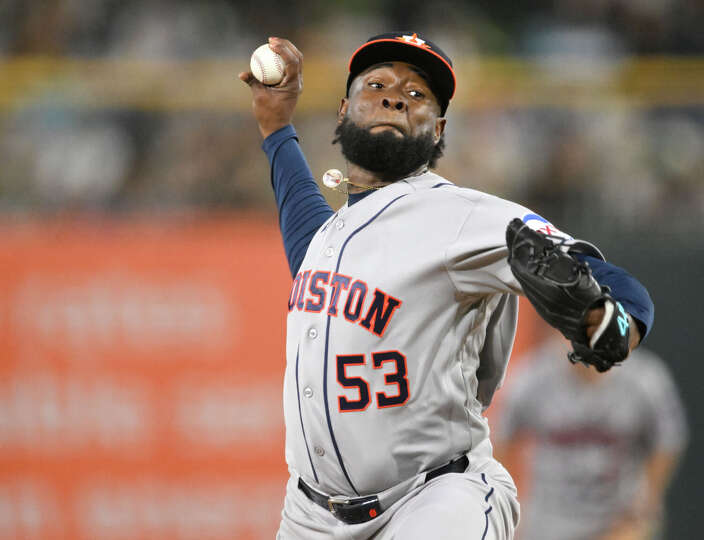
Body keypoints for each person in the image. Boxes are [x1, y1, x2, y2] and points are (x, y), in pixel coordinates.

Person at [238, 32, 654, 540]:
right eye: (377, 85)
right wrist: (276, 128)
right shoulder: (333, 235)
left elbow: (600, 277)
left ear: (437, 130)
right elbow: (306, 236)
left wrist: (617, 321)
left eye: (417, 95)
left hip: (434, 496)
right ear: (345, 110)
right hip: (311, 515)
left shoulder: (461, 216)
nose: (395, 96)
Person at [496, 334, 688, 540]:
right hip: (548, 524)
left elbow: (669, 439)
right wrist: (508, 505)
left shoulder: (644, 378)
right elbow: (501, 438)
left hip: (616, 523)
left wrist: (646, 502)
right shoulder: (532, 376)